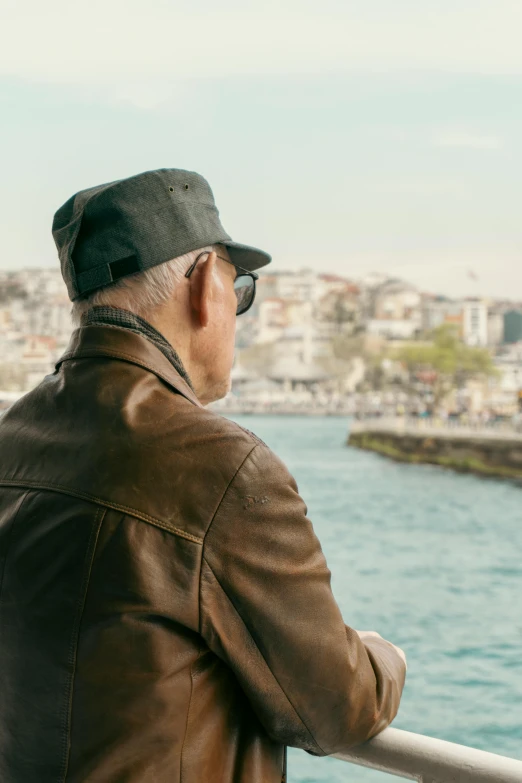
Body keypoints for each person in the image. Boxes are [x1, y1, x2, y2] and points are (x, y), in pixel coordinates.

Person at [0, 169, 406, 783]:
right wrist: (383, 658)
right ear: (204, 288)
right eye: (239, 288)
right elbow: (337, 709)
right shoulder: (223, 468)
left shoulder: (13, 437)